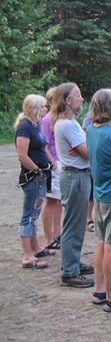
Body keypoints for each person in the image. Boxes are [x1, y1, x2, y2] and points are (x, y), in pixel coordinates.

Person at [52, 83, 95, 288]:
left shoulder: (68, 122)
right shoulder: (68, 125)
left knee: (76, 224)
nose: (81, 100)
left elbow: (84, 149)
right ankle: (69, 271)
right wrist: (87, 147)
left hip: (76, 176)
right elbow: (88, 152)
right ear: (68, 101)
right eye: (78, 96)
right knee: (73, 225)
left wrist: (85, 147)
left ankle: (73, 264)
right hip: (76, 177)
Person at [86, 89, 111, 311]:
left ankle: (99, 290)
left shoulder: (92, 130)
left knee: (101, 243)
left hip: (100, 193)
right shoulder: (110, 134)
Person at [15, 94, 57, 269]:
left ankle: (36, 248)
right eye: (42, 107)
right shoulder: (25, 127)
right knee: (29, 215)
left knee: (35, 212)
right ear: (33, 109)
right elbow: (22, 155)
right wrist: (37, 170)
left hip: (39, 177)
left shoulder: (35, 125)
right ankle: (27, 255)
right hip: (33, 178)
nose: (46, 109)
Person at [40, 87, 63, 250]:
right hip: (54, 163)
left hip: (61, 163)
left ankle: (57, 232)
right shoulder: (47, 120)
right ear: (49, 102)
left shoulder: (58, 119)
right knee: (50, 200)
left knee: (59, 200)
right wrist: (52, 163)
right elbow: (44, 145)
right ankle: (48, 237)